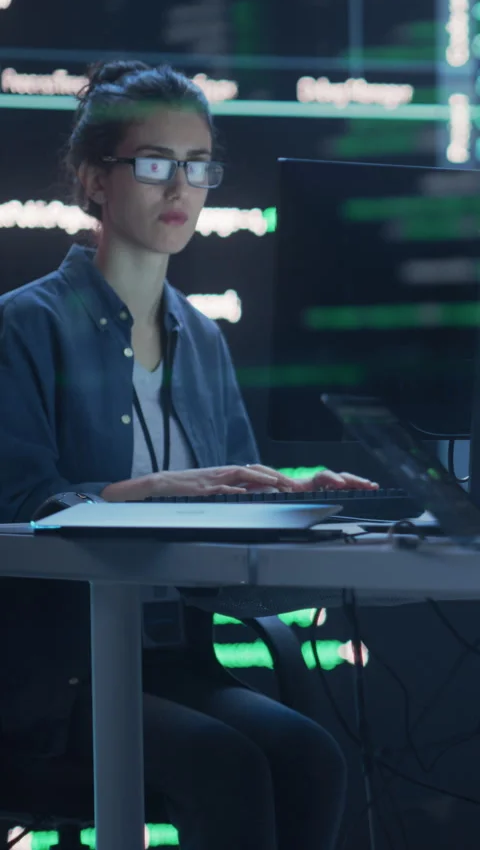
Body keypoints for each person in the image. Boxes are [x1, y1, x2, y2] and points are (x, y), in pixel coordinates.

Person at [0, 61, 378, 850]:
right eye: (153, 163)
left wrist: (301, 498)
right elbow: (18, 503)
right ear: (93, 180)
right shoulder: (23, 327)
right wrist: (145, 492)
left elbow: (227, 510)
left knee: (311, 756)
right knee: (225, 765)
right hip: (56, 677)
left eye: (197, 165)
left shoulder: (201, 341)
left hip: (170, 658)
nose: (180, 188)